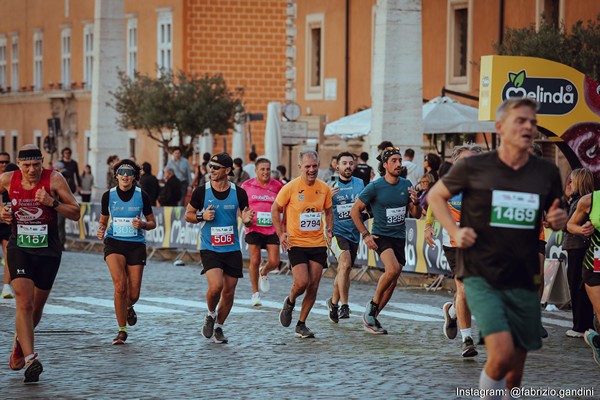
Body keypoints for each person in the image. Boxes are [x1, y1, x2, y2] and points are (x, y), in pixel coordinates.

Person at [427, 98, 567, 393]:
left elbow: (557, 213)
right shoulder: (473, 166)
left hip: (523, 273)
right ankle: (466, 336)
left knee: (515, 369)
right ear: (501, 127)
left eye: (532, 121)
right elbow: (435, 197)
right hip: (483, 269)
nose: (528, 126)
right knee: (501, 353)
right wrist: (453, 229)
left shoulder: (546, 172)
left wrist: (557, 218)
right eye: (520, 120)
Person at [0, 144, 80, 383]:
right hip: (19, 247)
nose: (32, 170)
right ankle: (31, 359)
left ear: (42, 162)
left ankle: (19, 343)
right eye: (26, 166)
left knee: (36, 308)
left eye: (36, 165)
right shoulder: (7, 178)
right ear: (19, 164)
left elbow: (76, 212)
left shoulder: (54, 180)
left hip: (48, 250)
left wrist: (52, 203)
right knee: (24, 302)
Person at [185, 153, 254, 344]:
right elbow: (188, 215)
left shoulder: (238, 192)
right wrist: (201, 217)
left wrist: (247, 221)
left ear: (227, 170)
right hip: (210, 247)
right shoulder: (202, 191)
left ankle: (219, 326)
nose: (211, 171)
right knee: (216, 286)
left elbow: (246, 218)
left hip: (231, 248)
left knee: (229, 292)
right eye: (210, 167)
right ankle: (209, 314)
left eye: (216, 167)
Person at [351, 146, 421, 334]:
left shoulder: (406, 184)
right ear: (385, 165)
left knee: (393, 279)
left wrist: (415, 202)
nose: (399, 164)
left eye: (400, 160)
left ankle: (372, 318)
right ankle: (372, 306)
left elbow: (416, 214)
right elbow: (354, 211)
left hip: (399, 237)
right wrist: (365, 235)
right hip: (381, 236)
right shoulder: (375, 186)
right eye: (394, 161)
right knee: (393, 269)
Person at [424, 144, 482, 357]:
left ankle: (452, 312)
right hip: (455, 244)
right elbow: (432, 204)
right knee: (465, 287)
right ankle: (467, 339)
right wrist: (428, 226)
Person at [272, 150, 333, 338]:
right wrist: (281, 234)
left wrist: (329, 230)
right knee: (301, 282)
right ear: (300, 167)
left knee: (313, 285)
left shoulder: (324, 188)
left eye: (314, 166)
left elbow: (329, 212)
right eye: (308, 166)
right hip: (296, 242)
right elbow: (275, 209)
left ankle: (301, 324)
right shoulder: (290, 187)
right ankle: (290, 302)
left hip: (317, 243)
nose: (312, 170)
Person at [96, 159, 156, 345]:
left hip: (136, 245)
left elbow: (153, 222)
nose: (125, 176)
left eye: (129, 173)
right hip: (114, 243)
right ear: (116, 176)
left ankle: (128, 306)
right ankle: (121, 330)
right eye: (121, 172)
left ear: (134, 177)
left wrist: (144, 225)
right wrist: (100, 229)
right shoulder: (108, 196)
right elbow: (103, 221)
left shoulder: (142, 195)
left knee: (134, 294)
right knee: (120, 286)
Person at [326, 152, 364, 323]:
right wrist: (327, 198)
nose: (348, 166)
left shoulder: (360, 183)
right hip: (337, 232)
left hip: (354, 233)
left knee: (345, 269)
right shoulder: (330, 185)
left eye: (350, 163)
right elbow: (320, 209)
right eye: (344, 163)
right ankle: (345, 306)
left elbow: (364, 206)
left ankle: (333, 303)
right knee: (346, 263)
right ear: (337, 166)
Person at [241, 158, 284, 306]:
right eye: (262, 169)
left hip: (272, 228)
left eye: (268, 169)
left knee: (275, 261)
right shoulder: (247, 186)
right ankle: (255, 294)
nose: (266, 172)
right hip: (254, 227)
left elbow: (283, 206)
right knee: (254, 260)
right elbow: (241, 208)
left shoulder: (278, 186)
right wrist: (245, 219)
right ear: (256, 170)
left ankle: (264, 272)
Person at [567, 176, 600, 367]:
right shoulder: (590, 200)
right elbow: (570, 225)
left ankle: (596, 340)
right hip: (595, 264)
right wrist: (582, 229)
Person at [563, 168, 595, 338]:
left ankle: (581, 326)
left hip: (578, 247)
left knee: (577, 285)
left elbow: (568, 224)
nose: (569, 184)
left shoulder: (583, 202)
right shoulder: (578, 200)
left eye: (572, 181)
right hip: (579, 247)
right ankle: (584, 324)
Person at [0, 153, 15, 299]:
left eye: (6, 162)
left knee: (8, 255)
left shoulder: (13, 184)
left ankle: (6, 288)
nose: (4, 165)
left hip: (6, 226)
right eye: (1, 162)